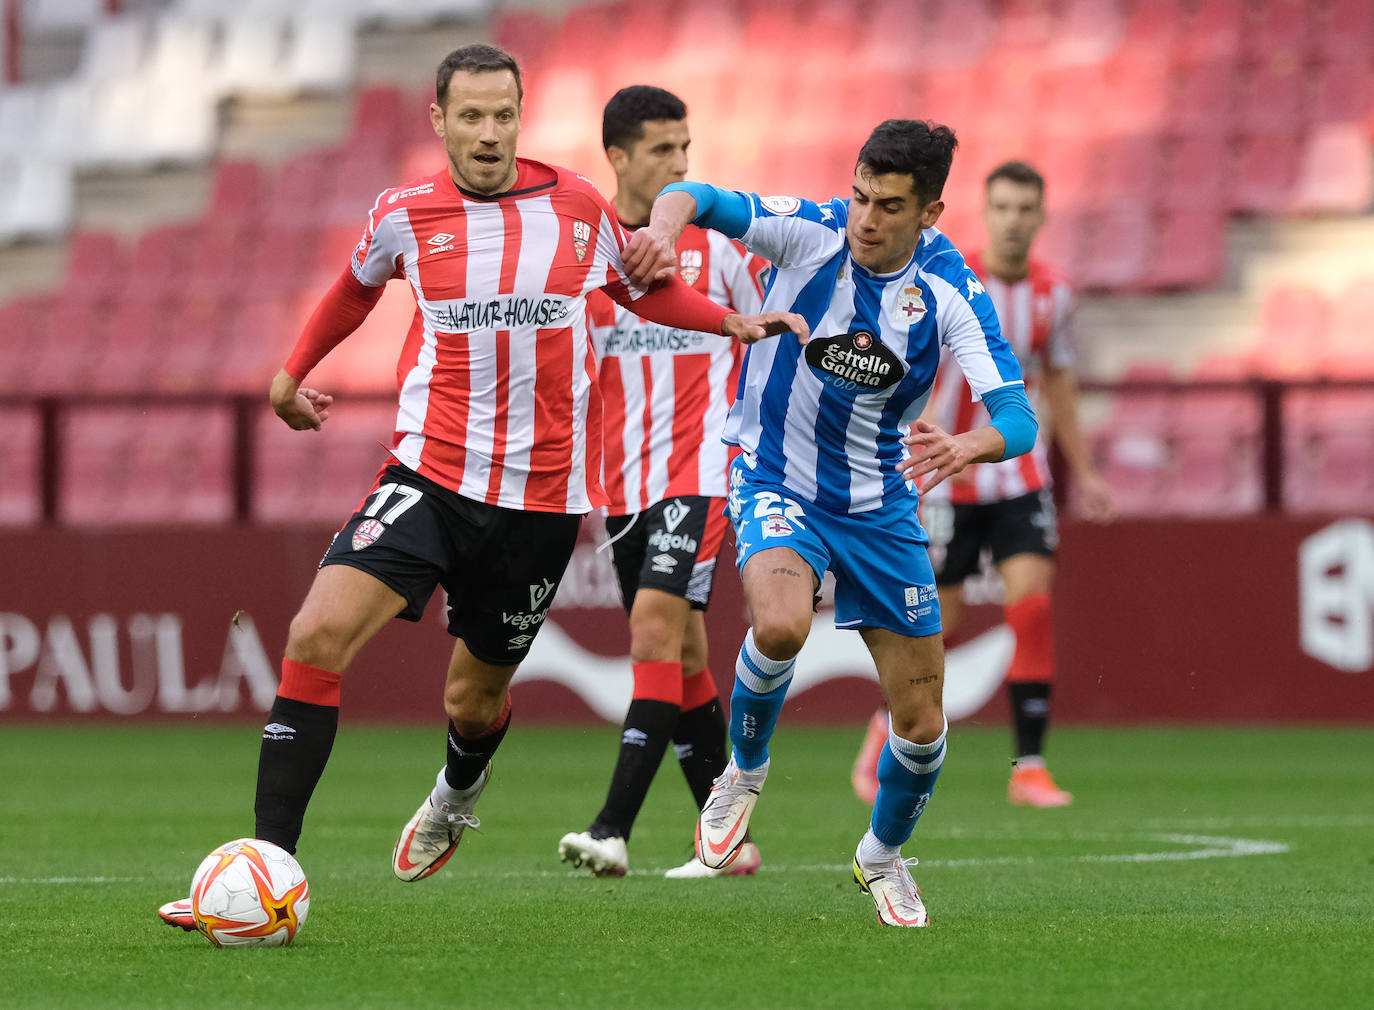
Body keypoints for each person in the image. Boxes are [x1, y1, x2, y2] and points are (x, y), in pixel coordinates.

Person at [157, 43, 806, 930]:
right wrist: (290, 373)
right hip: (429, 475)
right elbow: (352, 290)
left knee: (473, 702)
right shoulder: (404, 213)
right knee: (315, 634)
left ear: (520, 116)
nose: (490, 132)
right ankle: (267, 869)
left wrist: (728, 320)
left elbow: (640, 288)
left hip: (540, 504)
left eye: (504, 114)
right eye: (471, 116)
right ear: (440, 120)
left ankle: (458, 789)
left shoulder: (576, 206)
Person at [620, 120, 1038, 926]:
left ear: (930, 213)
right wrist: (663, 231)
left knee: (921, 725)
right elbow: (694, 195)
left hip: (881, 506)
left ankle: (881, 856)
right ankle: (742, 772)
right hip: (775, 476)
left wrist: (969, 444)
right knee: (780, 625)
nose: (865, 219)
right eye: (859, 196)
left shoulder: (949, 289)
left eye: (889, 206)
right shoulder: (810, 233)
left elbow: (1016, 417)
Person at [850, 160, 1116, 810]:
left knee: (1031, 611)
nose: (1013, 221)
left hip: (1020, 477)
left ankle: (1029, 768)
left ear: (1041, 216)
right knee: (936, 626)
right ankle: (885, 729)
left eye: (1025, 209)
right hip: (946, 477)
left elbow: (1057, 382)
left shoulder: (1055, 295)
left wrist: (1085, 471)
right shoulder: (947, 277)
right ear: (986, 211)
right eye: (1002, 208)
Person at [556, 86, 769, 880]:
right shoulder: (588, 255)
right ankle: (728, 841)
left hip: (703, 470)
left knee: (651, 630)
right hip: (621, 488)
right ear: (616, 156)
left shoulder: (721, 249)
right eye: (661, 149)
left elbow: (778, 336)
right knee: (679, 654)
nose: (681, 163)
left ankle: (612, 828)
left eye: (686, 147)